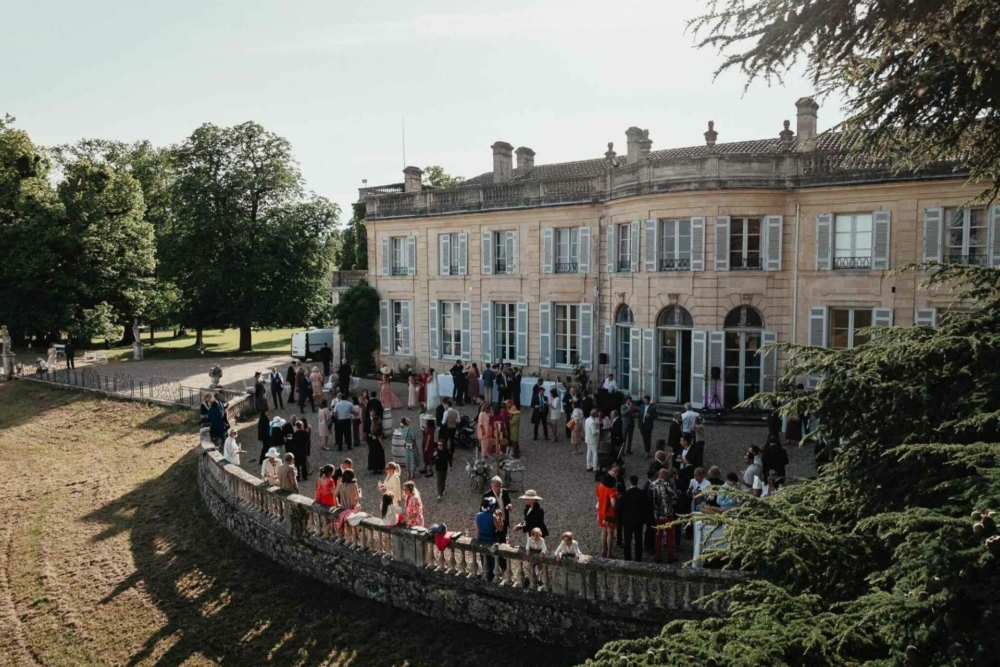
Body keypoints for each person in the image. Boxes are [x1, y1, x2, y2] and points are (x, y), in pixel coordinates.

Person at [649, 468, 680, 562]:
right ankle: (670, 556)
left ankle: (658, 556)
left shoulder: (652, 484)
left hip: (657, 514)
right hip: (668, 513)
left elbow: (649, 498)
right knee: (670, 535)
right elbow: (675, 496)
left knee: (658, 535)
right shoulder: (667, 484)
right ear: (665, 476)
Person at [618, 475, 649, 561]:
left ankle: (627, 557)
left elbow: (620, 508)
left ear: (630, 482)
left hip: (627, 521)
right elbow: (646, 507)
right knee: (639, 540)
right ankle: (638, 557)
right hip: (639, 521)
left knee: (627, 540)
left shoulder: (624, 494)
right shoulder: (642, 493)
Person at [475, 498, 503, 581]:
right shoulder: (493, 516)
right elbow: (500, 528)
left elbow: (477, 531)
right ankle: (494, 576)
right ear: (492, 507)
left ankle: (486, 575)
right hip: (491, 540)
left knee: (484, 559)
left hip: (481, 539)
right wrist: (500, 517)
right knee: (493, 560)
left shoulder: (478, 515)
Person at [596, 473, 618, 558]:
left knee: (603, 531)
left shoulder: (600, 486)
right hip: (609, 514)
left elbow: (597, 498)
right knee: (610, 533)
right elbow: (613, 504)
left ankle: (603, 550)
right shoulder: (612, 490)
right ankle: (609, 552)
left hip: (601, 512)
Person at [367, 408, 387, 474]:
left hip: (373, 444)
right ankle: (379, 468)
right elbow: (379, 438)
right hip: (378, 444)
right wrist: (383, 445)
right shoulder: (378, 428)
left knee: (373, 455)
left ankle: (373, 468)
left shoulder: (372, 428)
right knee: (379, 456)